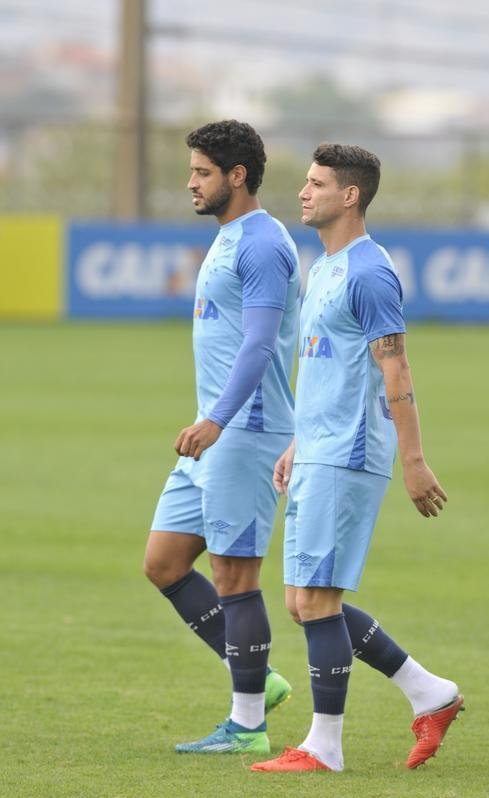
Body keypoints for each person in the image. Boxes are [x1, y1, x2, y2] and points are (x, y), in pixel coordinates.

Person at [251, 143, 463, 774]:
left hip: (349, 454)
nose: (303, 192)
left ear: (350, 195)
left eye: (316, 183)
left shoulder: (370, 273)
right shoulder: (326, 267)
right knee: (303, 602)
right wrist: (298, 442)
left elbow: (394, 368)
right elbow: (327, 367)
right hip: (318, 449)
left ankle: (325, 746)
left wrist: (415, 459)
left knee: (317, 600)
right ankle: (431, 693)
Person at [144, 120, 300, 755]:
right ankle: (259, 678)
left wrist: (218, 420)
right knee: (164, 562)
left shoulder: (262, 245)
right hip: (214, 434)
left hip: (245, 431)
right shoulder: (230, 235)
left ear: (237, 176)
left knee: (235, 575)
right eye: (191, 171)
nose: (191, 183)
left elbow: (261, 343)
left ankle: (248, 724)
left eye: (202, 172)